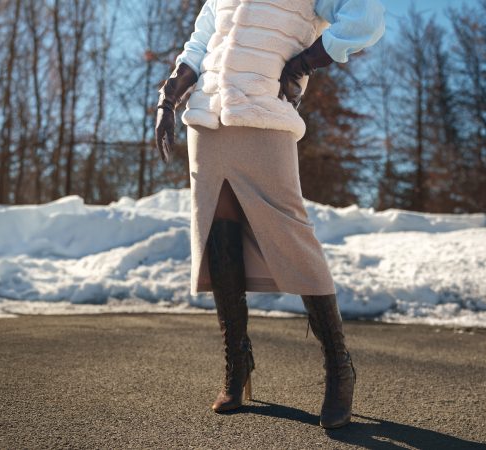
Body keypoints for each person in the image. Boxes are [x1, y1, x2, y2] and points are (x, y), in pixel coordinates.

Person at [155, 0, 385, 428]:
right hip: (206, 120)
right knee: (219, 240)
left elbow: (365, 18)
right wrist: (169, 97)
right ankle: (236, 364)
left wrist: (305, 61)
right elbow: (202, 39)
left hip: (266, 115)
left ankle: (339, 369)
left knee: (293, 238)